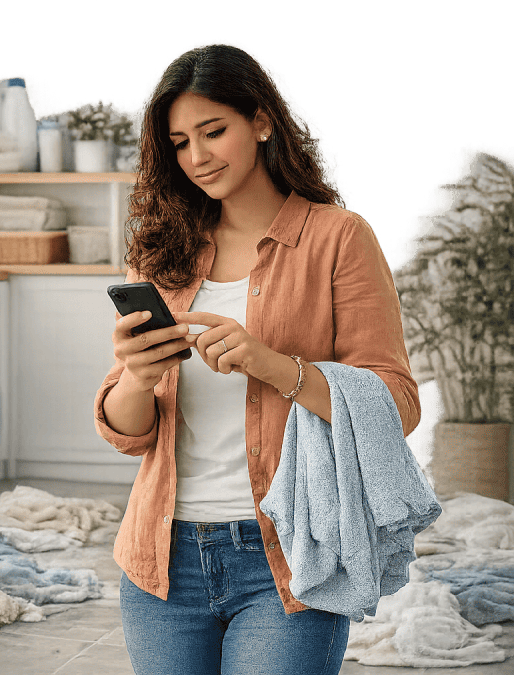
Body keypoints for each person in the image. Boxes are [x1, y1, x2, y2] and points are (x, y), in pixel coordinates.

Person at [93, 43, 420, 675]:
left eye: (214, 131)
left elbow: (397, 402)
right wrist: (137, 373)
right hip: (161, 557)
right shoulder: (163, 253)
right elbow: (125, 432)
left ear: (262, 121)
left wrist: (269, 362)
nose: (198, 157)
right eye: (181, 142)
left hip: (289, 553)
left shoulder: (336, 238)